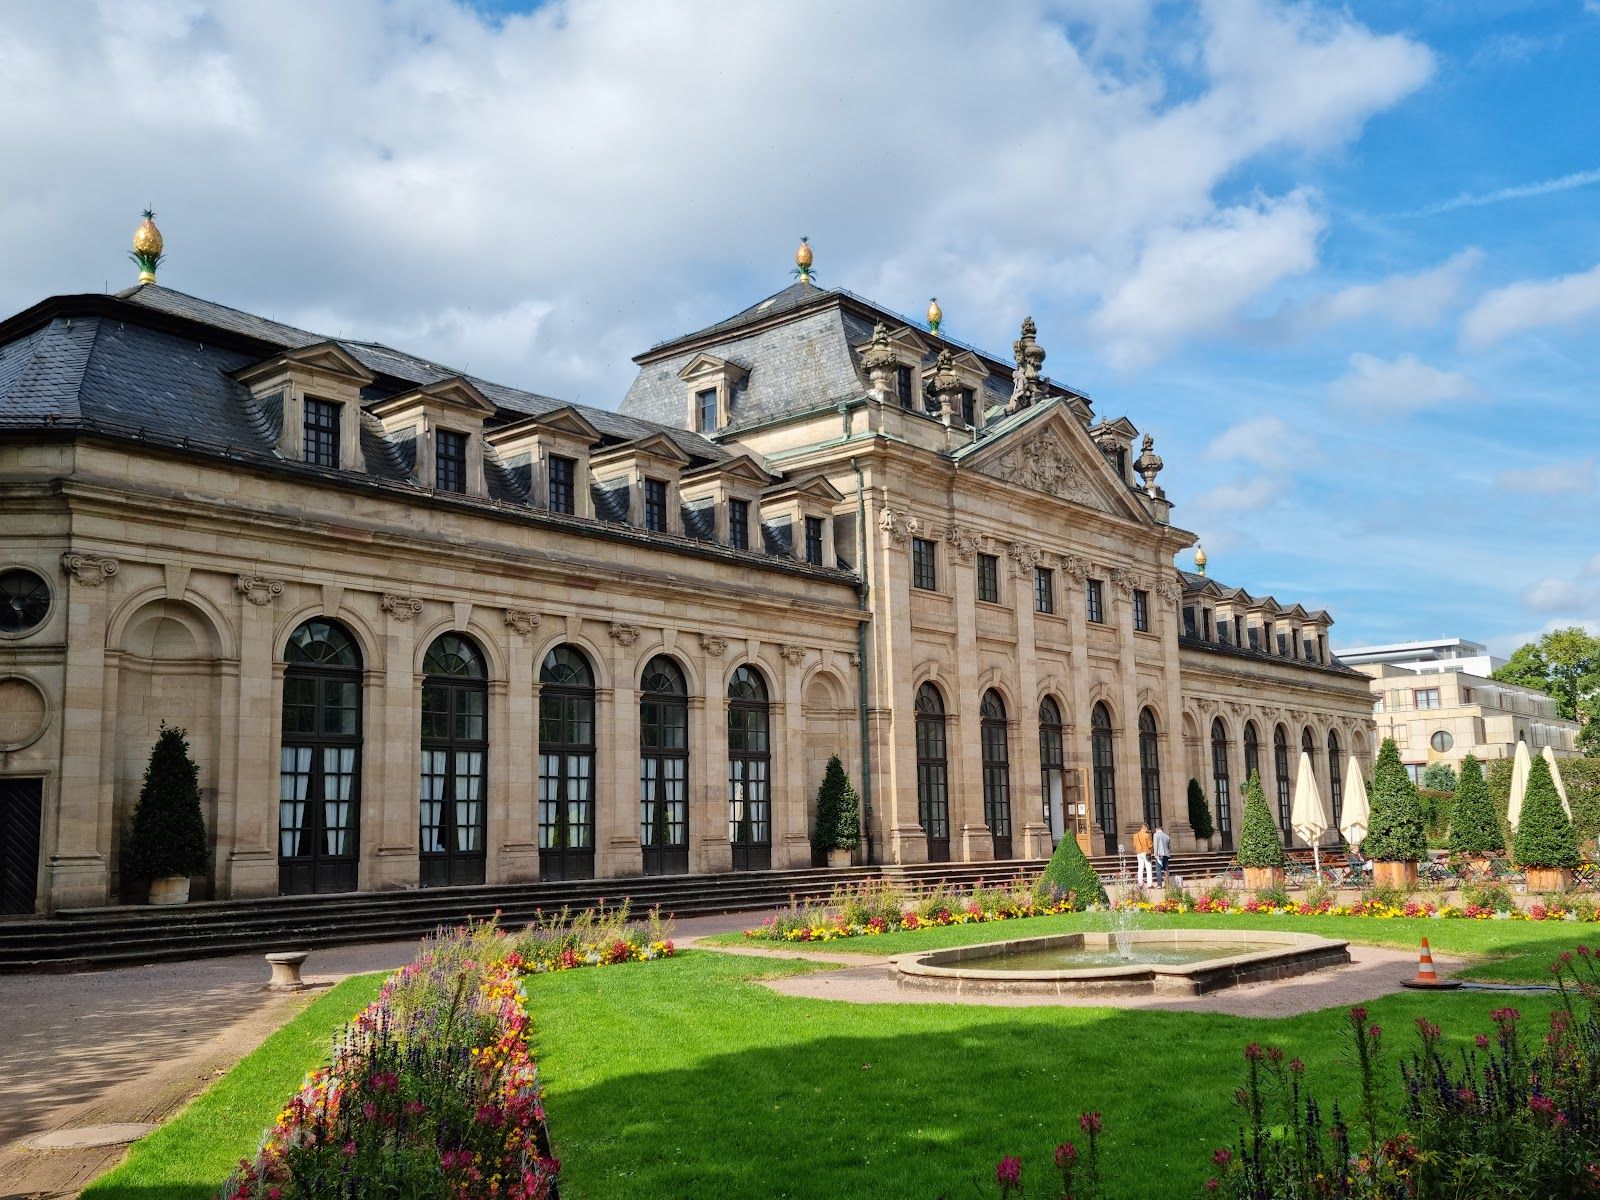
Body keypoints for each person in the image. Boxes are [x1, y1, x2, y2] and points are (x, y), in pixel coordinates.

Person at [1133, 822, 1155, 888]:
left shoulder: (1135, 835)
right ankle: (1149, 884)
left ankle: (1140, 883)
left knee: (1140, 868)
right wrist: (1153, 844)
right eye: (1147, 829)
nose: (1147, 831)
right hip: (1146, 852)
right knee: (1148, 868)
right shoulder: (1146, 835)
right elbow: (1149, 845)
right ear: (1145, 828)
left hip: (1138, 853)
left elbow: (1134, 845)